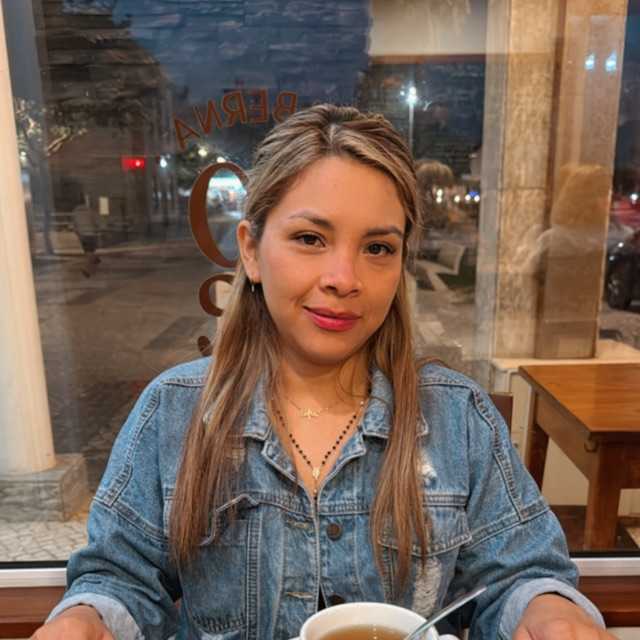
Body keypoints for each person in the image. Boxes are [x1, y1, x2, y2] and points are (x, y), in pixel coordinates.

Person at [35, 105, 613, 640]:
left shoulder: (456, 416)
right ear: (252, 250)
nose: (344, 278)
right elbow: (121, 579)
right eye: (310, 238)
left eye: (378, 248)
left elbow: (520, 574)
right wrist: (87, 620)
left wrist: (547, 610)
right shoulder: (174, 411)